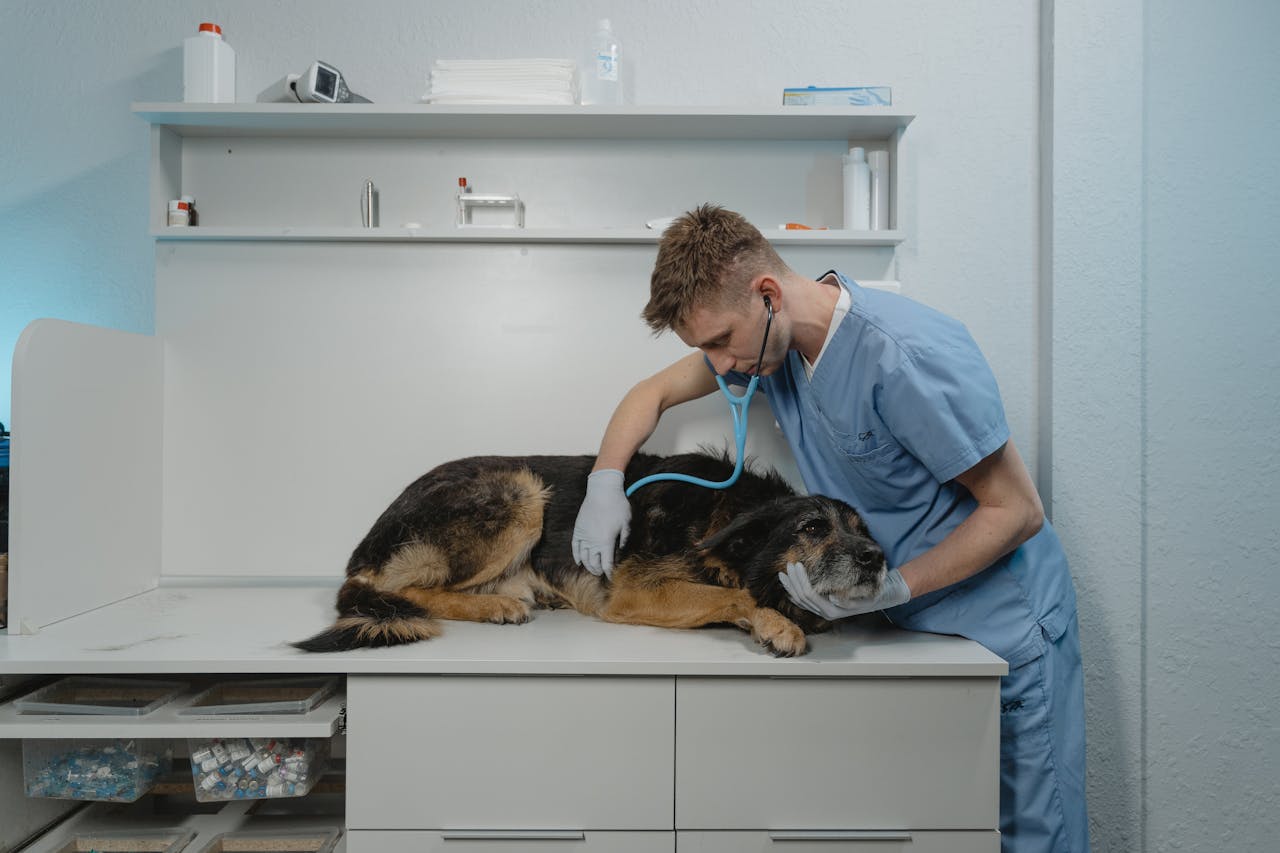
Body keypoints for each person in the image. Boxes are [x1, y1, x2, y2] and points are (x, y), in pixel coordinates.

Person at [571, 204, 1089, 853]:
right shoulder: (769, 348)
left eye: (720, 341)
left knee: (1029, 836)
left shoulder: (905, 355)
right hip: (911, 634)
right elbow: (649, 394)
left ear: (766, 296)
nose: (719, 365)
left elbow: (1017, 510)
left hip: (998, 628)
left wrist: (897, 586)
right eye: (703, 349)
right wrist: (604, 481)